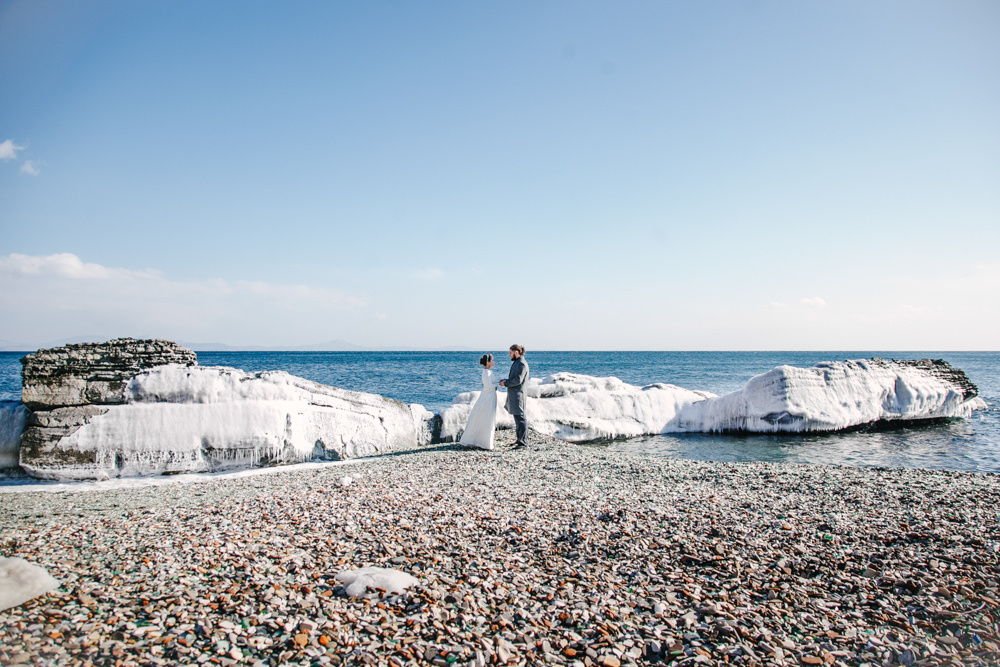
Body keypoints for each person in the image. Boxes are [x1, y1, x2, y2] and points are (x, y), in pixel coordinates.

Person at [459, 354, 501, 450]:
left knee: (489, 416)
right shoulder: (486, 372)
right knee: (487, 416)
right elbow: (489, 385)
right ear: (488, 362)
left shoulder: (489, 372)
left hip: (490, 395)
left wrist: (499, 382)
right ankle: (484, 443)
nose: (494, 361)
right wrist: (499, 383)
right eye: (492, 360)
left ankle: (484, 441)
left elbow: (492, 383)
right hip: (487, 397)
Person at [498, 344, 529, 449]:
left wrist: (505, 383)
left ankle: (523, 443)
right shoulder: (517, 362)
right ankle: (520, 439)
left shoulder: (521, 364)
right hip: (515, 395)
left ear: (516, 352)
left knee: (520, 418)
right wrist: (506, 381)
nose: (509, 355)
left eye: (511, 353)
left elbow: (518, 380)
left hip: (519, 395)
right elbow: (515, 378)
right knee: (517, 418)